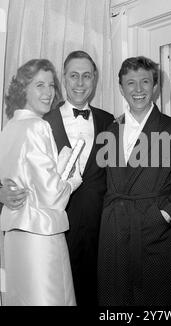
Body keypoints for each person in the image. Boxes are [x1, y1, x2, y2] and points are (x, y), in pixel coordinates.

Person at [0, 51, 114, 306]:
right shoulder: (42, 120)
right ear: (64, 78)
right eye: (74, 76)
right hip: (50, 230)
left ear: (95, 79)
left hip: (98, 232)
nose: (80, 83)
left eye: (87, 76)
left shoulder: (110, 122)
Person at [97, 56, 171, 306]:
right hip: (114, 232)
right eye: (131, 83)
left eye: (145, 82)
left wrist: (165, 216)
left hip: (155, 230)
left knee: (158, 302)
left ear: (155, 86)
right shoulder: (109, 130)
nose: (138, 90)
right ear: (121, 88)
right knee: (116, 302)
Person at [0, 59, 82, 306]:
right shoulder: (38, 126)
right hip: (41, 238)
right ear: (23, 89)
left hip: (14, 238)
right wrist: (71, 177)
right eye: (39, 85)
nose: (48, 92)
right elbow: (52, 196)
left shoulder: (9, 128)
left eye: (51, 85)